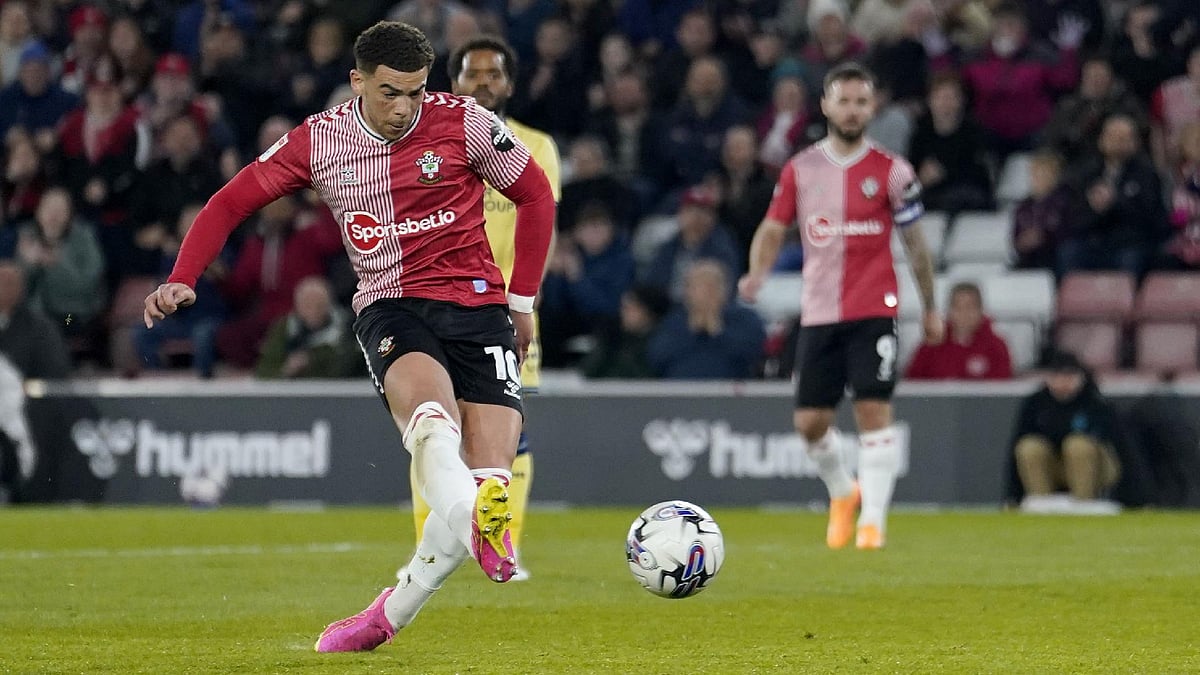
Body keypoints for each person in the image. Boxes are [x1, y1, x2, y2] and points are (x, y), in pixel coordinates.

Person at [141, 21, 555, 652]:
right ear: (356, 81)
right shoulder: (321, 141)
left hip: (478, 307)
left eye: (416, 93)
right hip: (393, 307)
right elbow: (229, 202)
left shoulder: (465, 122)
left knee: (488, 473)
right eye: (389, 92)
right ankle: (479, 521)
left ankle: (390, 612)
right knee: (432, 425)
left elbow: (535, 194)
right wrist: (182, 277)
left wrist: (522, 300)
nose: (403, 108)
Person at [738, 62, 943, 550]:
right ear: (826, 105)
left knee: (874, 408)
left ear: (872, 108)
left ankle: (873, 522)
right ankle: (843, 492)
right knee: (810, 423)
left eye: (861, 101)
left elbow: (916, 245)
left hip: (875, 308)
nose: (852, 110)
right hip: (820, 312)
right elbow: (772, 227)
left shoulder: (894, 171)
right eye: (843, 100)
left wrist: (930, 306)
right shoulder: (800, 169)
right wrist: (758, 272)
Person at [390, 34, 561, 580]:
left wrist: (522, 299)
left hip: (506, 307)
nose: (482, 84)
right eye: (471, 74)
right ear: (454, 82)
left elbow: (543, 220)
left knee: (511, 430)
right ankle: (430, 545)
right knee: (438, 428)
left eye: (493, 75)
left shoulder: (536, 145)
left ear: (509, 84)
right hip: (437, 300)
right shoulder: (434, 141)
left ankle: (502, 542)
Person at [1004, 351, 1122, 506]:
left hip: (1097, 469)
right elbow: (1016, 445)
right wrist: (1012, 496)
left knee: (1077, 445)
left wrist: (1137, 497)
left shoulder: (1095, 403)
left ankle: (1083, 505)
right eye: (1057, 376)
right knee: (1029, 447)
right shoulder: (1036, 403)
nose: (1063, 382)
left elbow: (1121, 447)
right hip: (1053, 467)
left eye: (1069, 376)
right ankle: (1041, 505)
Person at [647, 259, 765, 379]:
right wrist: (693, 331)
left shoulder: (744, 319)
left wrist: (717, 331)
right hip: (680, 390)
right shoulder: (674, 321)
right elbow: (657, 357)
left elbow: (752, 354)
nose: (700, 293)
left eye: (708, 287)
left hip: (729, 391)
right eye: (693, 286)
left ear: (722, 289)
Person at [254, 275, 359, 379]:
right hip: (291, 392)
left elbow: (348, 367)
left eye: (319, 305)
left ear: (328, 305)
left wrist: (311, 360)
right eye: (307, 305)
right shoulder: (284, 329)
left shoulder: (347, 328)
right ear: (297, 306)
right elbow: (264, 373)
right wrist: (287, 370)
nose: (313, 311)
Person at [906, 282, 1013, 380]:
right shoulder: (930, 345)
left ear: (980, 310)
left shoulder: (997, 346)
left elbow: (1001, 391)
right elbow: (913, 385)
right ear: (949, 310)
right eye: (957, 307)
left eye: (969, 307)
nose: (963, 314)